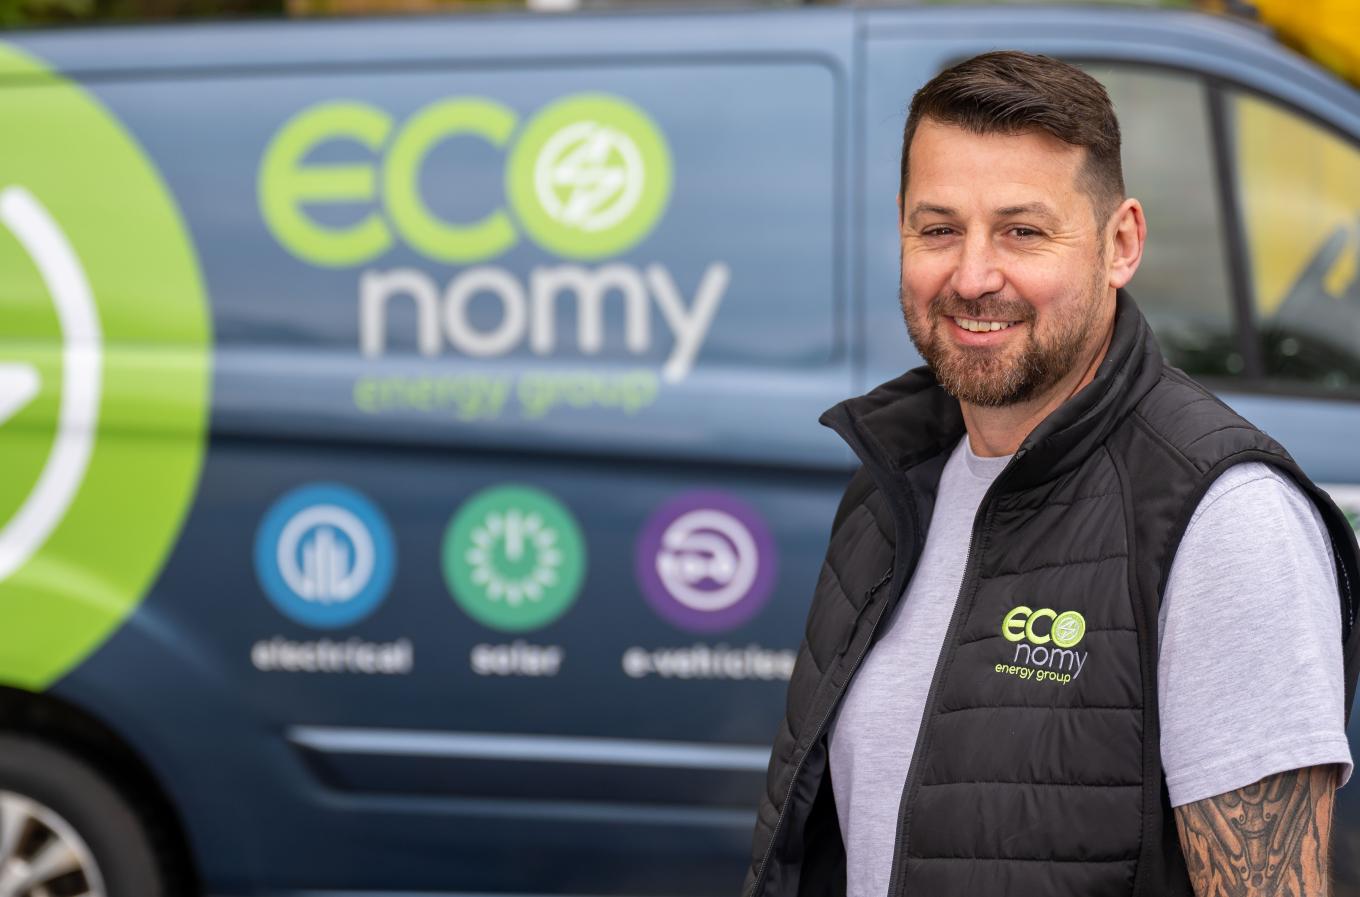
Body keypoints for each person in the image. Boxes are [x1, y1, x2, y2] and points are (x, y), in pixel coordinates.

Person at [743, 51, 1360, 897]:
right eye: (938, 228)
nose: (972, 275)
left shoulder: (1222, 519)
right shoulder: (890, 490)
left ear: (1121, 244)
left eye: (1022, 231)